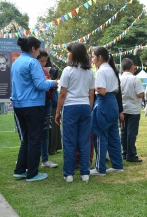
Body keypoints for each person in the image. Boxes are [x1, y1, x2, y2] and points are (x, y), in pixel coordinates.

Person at [12, 37, 58, 182]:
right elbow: (41, 85)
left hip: (19, 105)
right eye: (38, 49)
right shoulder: (33, 62)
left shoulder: (16, 62)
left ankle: (20, 170)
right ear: (33, 48)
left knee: (26, 139)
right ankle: (32, 173)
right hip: (32, 105)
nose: (39, 53)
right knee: (34, 139)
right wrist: (54, 82)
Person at [55, 42, 95, 182]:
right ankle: (85, 173)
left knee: (69, 141)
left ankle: (69, 174)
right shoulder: (90, 71)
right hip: (85, 107)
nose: (67, 54)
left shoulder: (67, 71)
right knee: (84, 141)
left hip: (70, 107)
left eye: (68, 51)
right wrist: (88, 109)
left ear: (73, 54)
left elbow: (62, 94)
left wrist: (57, 111)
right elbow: (91, 94)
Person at [90, 46, 124, 176]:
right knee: (114, 136)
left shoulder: (101, 71)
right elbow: (116, 90)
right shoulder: (111, 69)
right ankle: (117, 165)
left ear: (100, 57)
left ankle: (100, 168)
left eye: (93, 56)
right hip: (112, 104)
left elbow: (102, 91)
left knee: (99, 135)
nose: (92, 59)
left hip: (103, 104)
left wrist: (92, 85)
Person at [37, 50, 58, 168]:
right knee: (34, 132)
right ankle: (29, 158)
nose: (44, 63)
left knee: (45, 130)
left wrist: (52, 86)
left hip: (47, 101)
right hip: (37, 103)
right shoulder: (34, 70)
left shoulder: (45, 70)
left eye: (45, 61)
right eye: (41, 61)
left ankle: (45, 159)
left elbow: (48, 88)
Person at [120, 58, 144, 162]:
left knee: (124, 132)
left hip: (122, 108)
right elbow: (140, 94)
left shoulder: (119, 79)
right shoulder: (135, 79)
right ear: (132, 67)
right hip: (133, 109)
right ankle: (131, 154)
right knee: (132, 132)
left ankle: (125, 152)